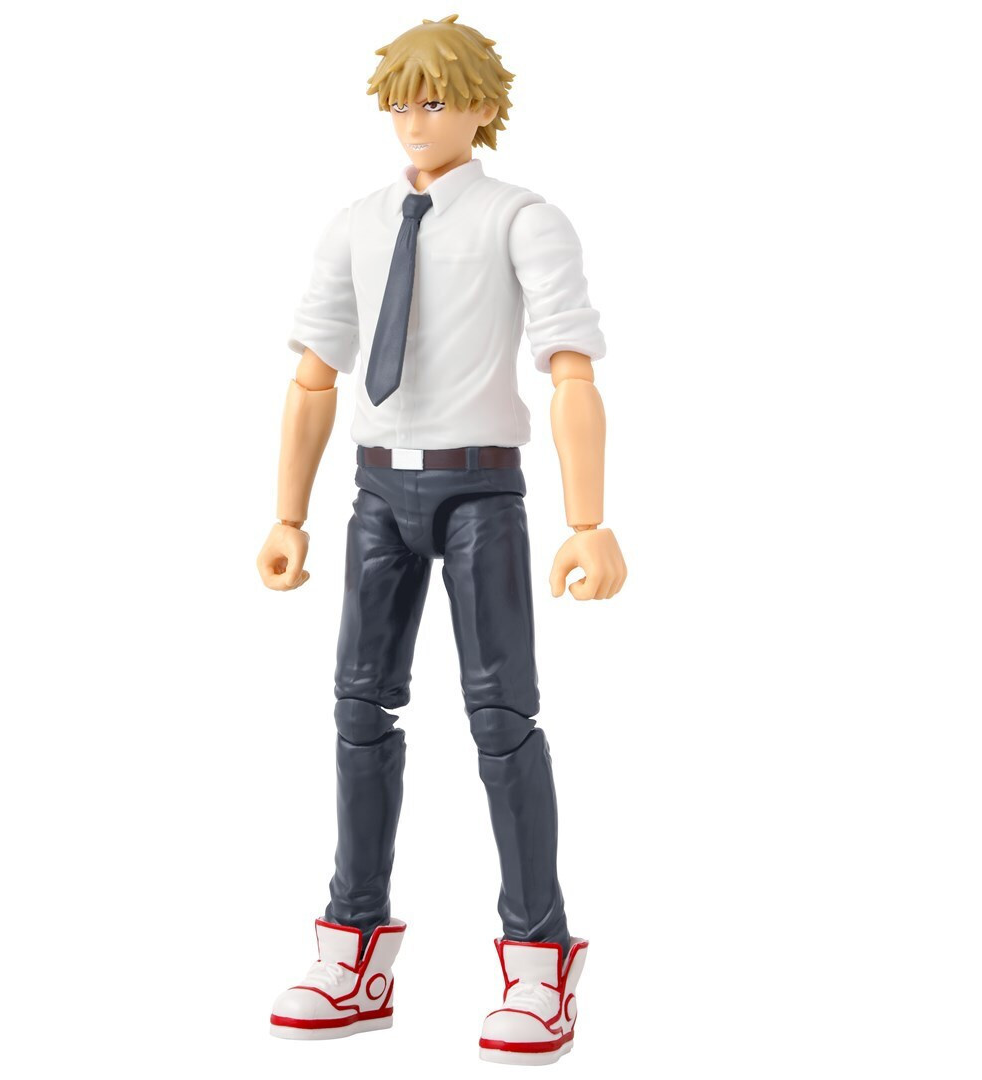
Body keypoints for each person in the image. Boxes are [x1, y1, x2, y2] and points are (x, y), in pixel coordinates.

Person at [256, 14, 626, 1065]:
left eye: (435, 100)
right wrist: (287, 512)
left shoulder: (523, 220)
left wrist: (589, 521)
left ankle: (539, 957)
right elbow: (314, 376)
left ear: (482, 107)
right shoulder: (356, 223)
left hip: (479, 491)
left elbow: (570, 368)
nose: (415, 121)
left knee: (502, 719)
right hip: (377, 489)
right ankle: (353, 945)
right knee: (357, 710)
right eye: (400, 103)